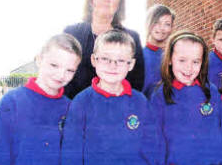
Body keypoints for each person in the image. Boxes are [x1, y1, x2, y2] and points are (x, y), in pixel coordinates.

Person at [61, 30, 161, 164]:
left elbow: (153, 146)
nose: (112, 66)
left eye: (120, 60)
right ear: (94, 60)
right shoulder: (81, 102)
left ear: (130, 64)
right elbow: (71, 151)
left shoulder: (140, 102)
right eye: (105, 59)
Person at [0, 34, 82, 165]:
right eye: (54, 65)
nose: (61, 74)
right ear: (39, 59)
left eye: (70, 70)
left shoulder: (72, 109)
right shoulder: (11, 102)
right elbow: (0, 152)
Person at [64, 0, 144, 99]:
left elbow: (137, 81)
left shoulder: (131, 37)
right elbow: (63, 73)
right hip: (76, 106)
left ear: (119, 4)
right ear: (92, 0)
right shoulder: (72, 33)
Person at [150, 30, 222, 165]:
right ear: (170, 59)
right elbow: (155, 140)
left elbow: (218, 131)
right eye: (182, 60)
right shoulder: (160, 95)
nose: (188, 67)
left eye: (196, 61)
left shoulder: (211, 91)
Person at [142, 4, 175, 99]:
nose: (161, 28)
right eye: (156, 22)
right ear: (148, 23)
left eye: (167, 24)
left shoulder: (173, 58)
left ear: (172, 28)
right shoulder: (138, 56)